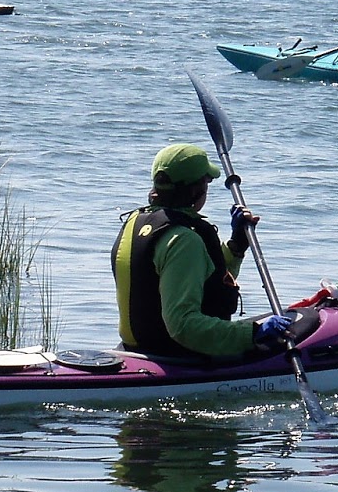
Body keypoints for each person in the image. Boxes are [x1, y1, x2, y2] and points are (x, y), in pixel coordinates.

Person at [113, 143, 288, 361]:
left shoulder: (133, 223)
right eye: (206, 182)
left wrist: (236, 245)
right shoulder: (184, 240)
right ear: (196, 190)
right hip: (177, 356)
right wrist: (251, 334)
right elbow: (183, 326)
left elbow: (204, 278)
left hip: (137, 350)